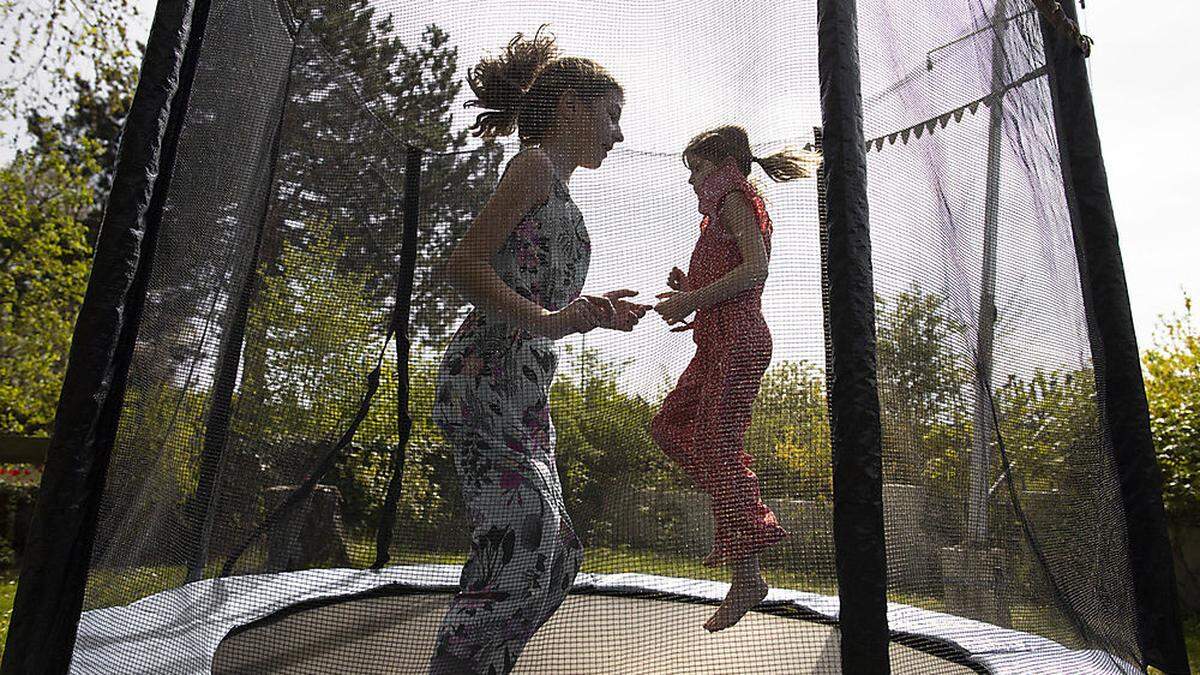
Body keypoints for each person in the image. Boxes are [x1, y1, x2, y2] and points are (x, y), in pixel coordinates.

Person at [429, 26, 647, 674]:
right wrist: (553, 321)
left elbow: (541, 294)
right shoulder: (532, 166)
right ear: (571, 106)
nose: (618, 132)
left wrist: (591, 312)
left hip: (526, 395)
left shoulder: (562, 191)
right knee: (523, 546)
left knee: (557, 557)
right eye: (611, 115)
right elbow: (463, 264)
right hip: (487, 377)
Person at [651, 125, 818, 632]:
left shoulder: (739, 199)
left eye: (696, 169)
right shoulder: (716, 217)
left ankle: (748, 572)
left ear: (723, 164)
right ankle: (734, 502)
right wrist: (690, 289)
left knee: (718, 448)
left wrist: (689, 300)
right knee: (670, 429)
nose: (691, 182)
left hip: (740, 341)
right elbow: (726, 280)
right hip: (714, 342)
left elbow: (755, 272)